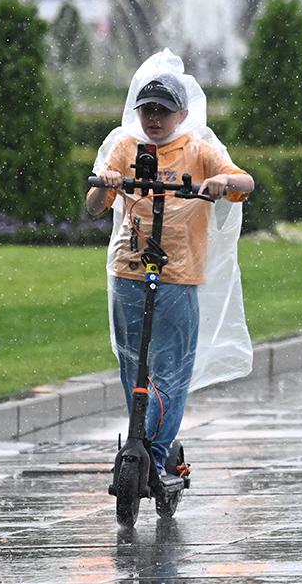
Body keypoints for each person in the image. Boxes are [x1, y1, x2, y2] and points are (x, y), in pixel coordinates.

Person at [87, 49, 255, 488]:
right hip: (129, 270)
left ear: (181, 113)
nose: (154, 119)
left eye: (163, 110)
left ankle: (157, 452)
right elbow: (93, 207)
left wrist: (221, 182)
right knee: (132, 363)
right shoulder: (125, 147)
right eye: (147, 110)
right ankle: (138, 440)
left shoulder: (199, 149)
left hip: (179, 273)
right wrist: (105, 185)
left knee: (172, 368)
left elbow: (245, 183)